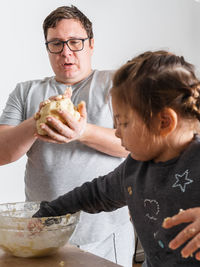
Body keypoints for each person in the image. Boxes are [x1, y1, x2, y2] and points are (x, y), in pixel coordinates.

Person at [33, 50, 200, 267]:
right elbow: (94, 193)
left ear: (164, 122)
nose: (117, 132)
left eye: (124, 123)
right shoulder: (134, 168)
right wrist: (47, 213)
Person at [0, 5, 134, 267]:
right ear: (47, 47)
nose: (66, 52)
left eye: (75, 42)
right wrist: (37, 121)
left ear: (91, 44)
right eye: (56, 44)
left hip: (104, 234)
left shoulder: (118, 83)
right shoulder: (25, 92)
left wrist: (82, 131)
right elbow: (1, 153)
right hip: (42, 232)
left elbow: (138, 145)